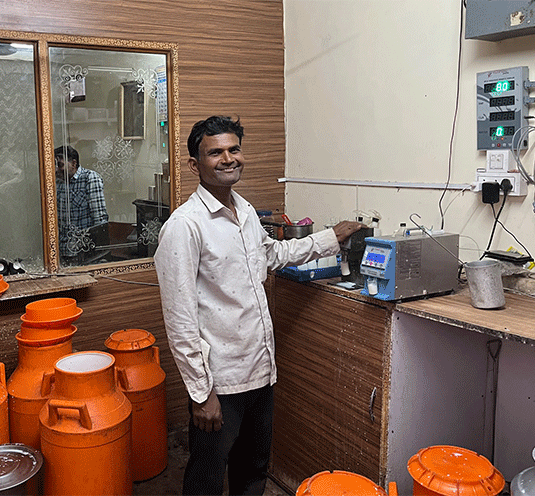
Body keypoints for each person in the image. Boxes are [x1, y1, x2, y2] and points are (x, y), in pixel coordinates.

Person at [153, 116, 365, 495]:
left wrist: (331, 237)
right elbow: (180, 321)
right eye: (215, 152)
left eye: (233, 149)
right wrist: (202, 396)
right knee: (206, 476)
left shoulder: (245, 211)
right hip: (220, 380)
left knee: (252, 470)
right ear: (194, 165)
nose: (228, 158)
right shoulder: (185, 227)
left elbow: (273, 254)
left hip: (260, 370)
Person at [54, 145, 109, 264]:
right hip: (62, 252)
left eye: (61, 165)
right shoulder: (58, 182)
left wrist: (98, 252)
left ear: (74, 163)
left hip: (83, 252)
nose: (57, 169)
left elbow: (99, 219)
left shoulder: (90, 178)